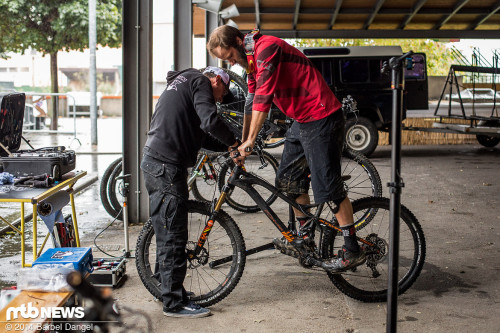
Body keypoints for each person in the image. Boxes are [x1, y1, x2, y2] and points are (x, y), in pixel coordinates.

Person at [207, 26, 366, 273]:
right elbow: (251, 100)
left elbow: (264, 98)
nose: (231, 63)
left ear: (238, 42)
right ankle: (305, 236)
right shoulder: (250, 62)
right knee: (288, 181)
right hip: (301, 120)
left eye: (229, 56)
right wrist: (243, 140)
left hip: (322, 115)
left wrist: (251, 140)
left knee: (327, 187)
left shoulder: (267, 48)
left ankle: (352, 248)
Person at [141, 66, 239, 318]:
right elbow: (210, 120)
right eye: (221, 94)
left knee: (166, 229)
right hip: (165, 165)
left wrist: (228, 146)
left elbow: (203, 133)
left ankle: (167, 288)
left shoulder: (185, 83)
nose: (218, 100)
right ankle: (173, 303)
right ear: (217, 80)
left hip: (159, 162)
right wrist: (235, 142)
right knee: (173, 233)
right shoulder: (199, 81)